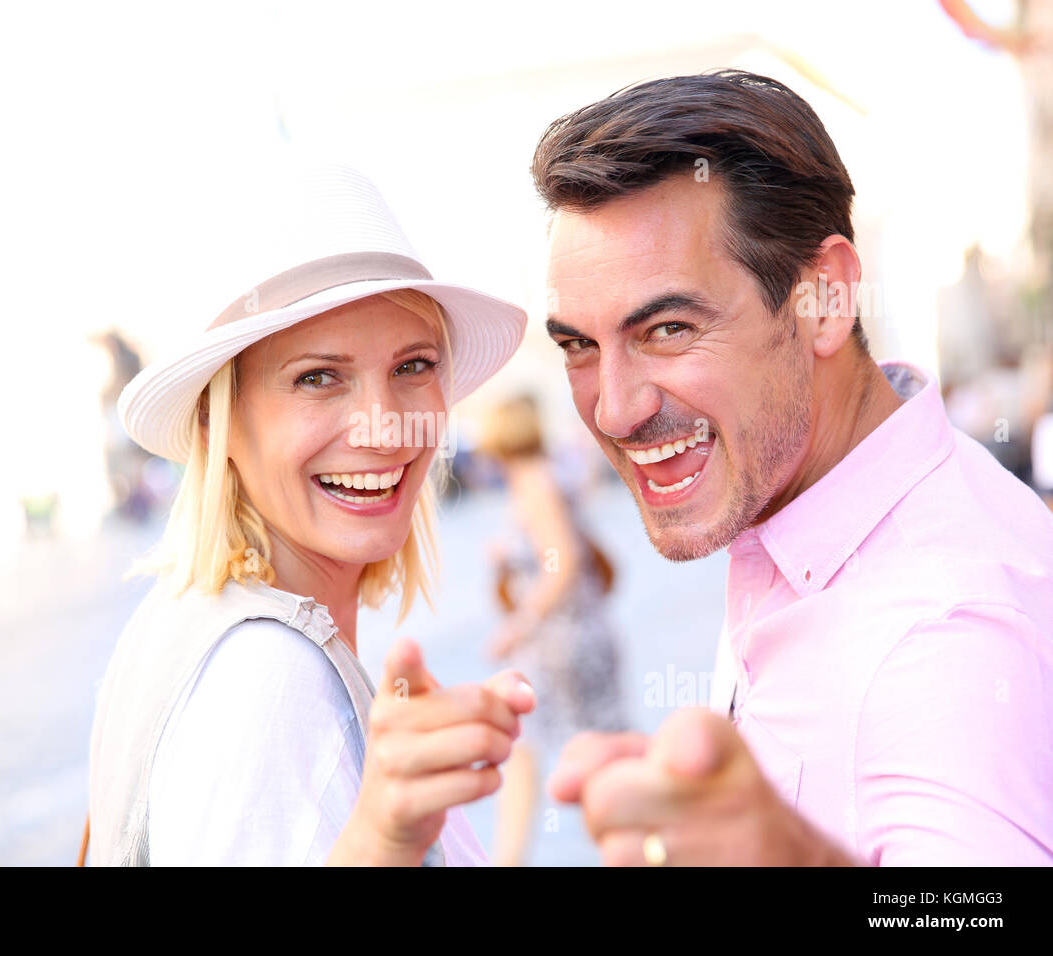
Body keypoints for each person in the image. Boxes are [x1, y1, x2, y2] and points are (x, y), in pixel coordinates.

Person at [530, 70, 1053, 865]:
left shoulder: (943, 636)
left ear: (825, 300)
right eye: (578, 346)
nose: (613, 409)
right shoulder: (796, 497)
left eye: (668, 329)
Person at [84, 159, 533, 866]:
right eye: (318, 378)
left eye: (413, 366)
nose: (385, 427)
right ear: (216, 426)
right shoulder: (269, 683)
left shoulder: (194, 621)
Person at [479, 393, 625, 866]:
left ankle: (641, 846)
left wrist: (518, 625)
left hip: (562, 643)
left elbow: (560, 564)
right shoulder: (538, 478)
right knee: (547, 748)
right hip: (566, 640)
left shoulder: (535, 483)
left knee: (593, 754)